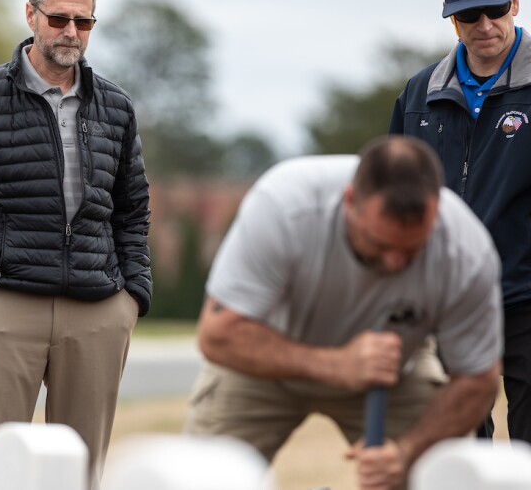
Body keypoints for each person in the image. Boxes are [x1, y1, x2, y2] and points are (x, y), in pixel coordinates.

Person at [0, 0, 151, 490]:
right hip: (1, 304)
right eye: (59, 18)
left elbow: (134, 210)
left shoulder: (116, 106)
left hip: (97, 309)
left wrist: (131, 296)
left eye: (85, 22)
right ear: (31, 15)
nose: (71, 32)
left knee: (81, 475)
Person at [184, 136, 502, 490]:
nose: (395, 262)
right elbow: (218, 335)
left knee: (437, 478)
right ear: (350, 201)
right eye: (380, 244)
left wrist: (406, 453)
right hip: (264, 361)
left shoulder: (465, 250)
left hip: (394, 372)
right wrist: (338, 365)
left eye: (412, 250)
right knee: (203, 478)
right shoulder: (285, 206)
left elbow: (479, 378)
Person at [389, 0, 530, 441]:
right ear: (452, 20)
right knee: (457, 449)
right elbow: (394, 198)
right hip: (448, 302)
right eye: (469, 14)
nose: (484, 24)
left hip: (526, 296)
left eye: (494, 8)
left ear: (514, 1)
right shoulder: (419, 94)